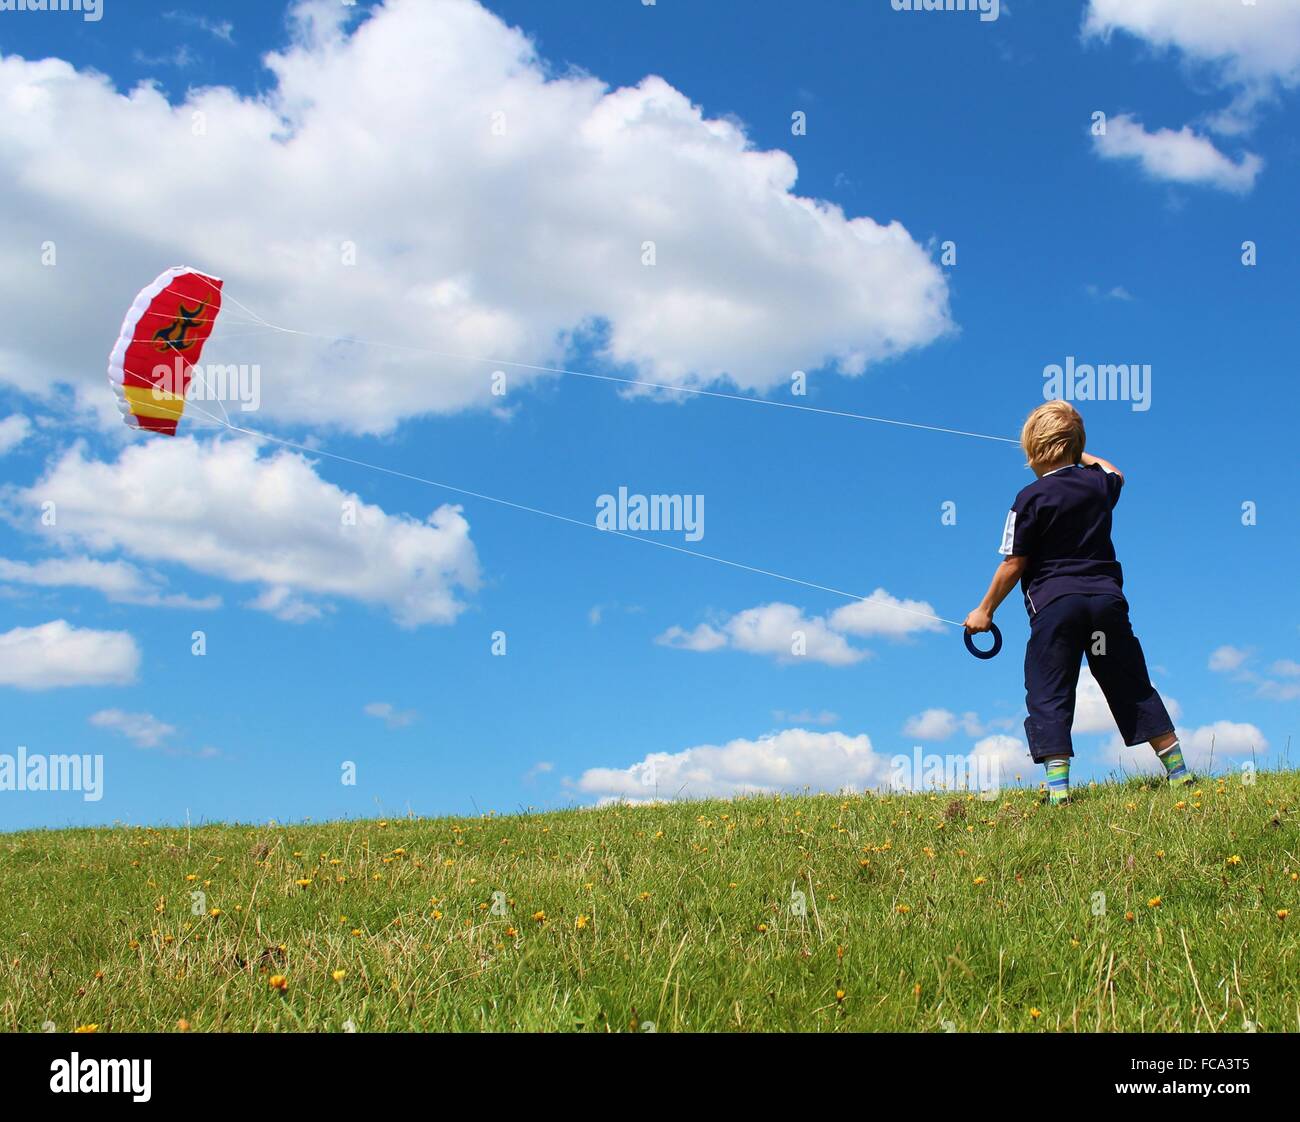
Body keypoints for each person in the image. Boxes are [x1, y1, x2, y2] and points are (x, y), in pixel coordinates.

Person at [963, 400, 1187, 805]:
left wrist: (985, 610)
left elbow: (1014, 563)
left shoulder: (1029, 498)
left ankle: (1059, 792)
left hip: (1056, 607)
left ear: (1033, 449)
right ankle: (1180, 773)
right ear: (1073, 446)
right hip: (1105, 604)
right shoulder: (1097, 486)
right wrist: (1077, 450)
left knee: (1049, 688)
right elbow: (1114, 471)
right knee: (1128, 681)